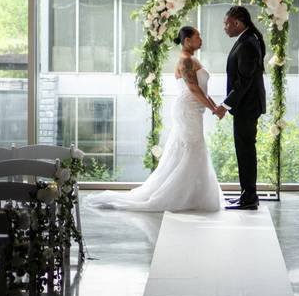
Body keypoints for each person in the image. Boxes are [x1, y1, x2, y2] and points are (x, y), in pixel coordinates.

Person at [90, 26, 224, 212]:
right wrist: (213, 108)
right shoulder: (185, 61)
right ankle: (178, 195)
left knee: (189, 150)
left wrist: (214, 107)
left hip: (195, 109)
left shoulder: (193, 59)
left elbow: (202, 89)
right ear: (187, 40)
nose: (201, 39)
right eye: (197, 36)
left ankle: (191, 195)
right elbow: (193, 89)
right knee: (193, 148)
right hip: (187, 110)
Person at [214, 6, 266, 211]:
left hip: (247, 106)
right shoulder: (248, 39)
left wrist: (225, 105)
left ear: (237, 23)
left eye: (226, 23)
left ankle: (250, 197)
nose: (224, 27)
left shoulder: (247, 43)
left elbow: (244, 81)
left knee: (245, 152)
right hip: (246, 105)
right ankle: (247, 194)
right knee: (244, 151)